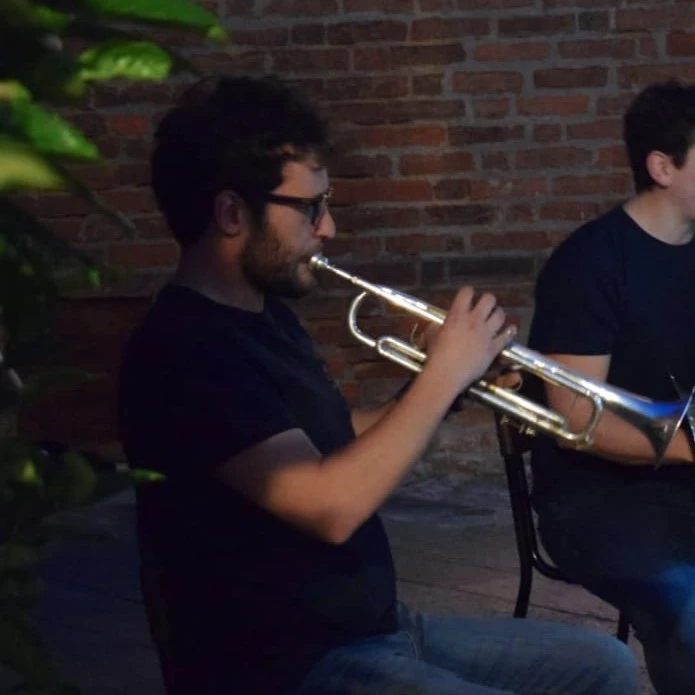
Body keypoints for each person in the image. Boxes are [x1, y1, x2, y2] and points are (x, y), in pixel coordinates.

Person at [118, 74, 639, 695]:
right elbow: (329, 504)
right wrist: (443, 375)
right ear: (232, 213)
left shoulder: (263, 318)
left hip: (374, 627)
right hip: (285, 664)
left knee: (604, 665)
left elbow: (332, 443)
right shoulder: (185, 351)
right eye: (310, 207)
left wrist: (442, 392)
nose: (329, 227)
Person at [527, 78, 695, 695]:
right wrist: (686, 449)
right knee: (688, 603)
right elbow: (575, 419)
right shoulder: (591, 263)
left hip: (682, 478)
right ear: (662, 167)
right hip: (597, 497)